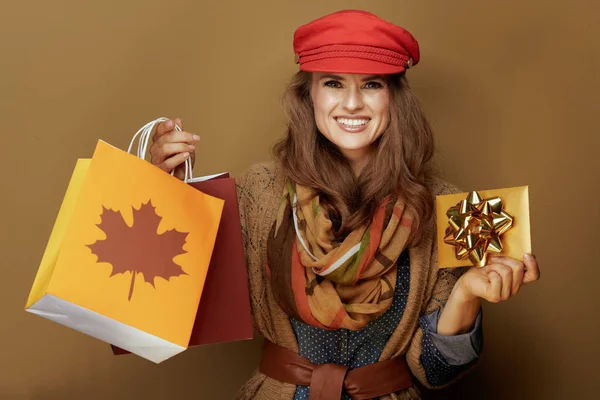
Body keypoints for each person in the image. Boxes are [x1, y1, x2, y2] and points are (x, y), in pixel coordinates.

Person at [149, 9, 540, 400]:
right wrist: (161, 189)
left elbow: (438, 371)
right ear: (310, 94)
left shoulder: (441, 204)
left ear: (394, 97)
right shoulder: (259, 190)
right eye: (334, 83)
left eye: (371, 84)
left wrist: (466, 294)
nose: (352, 104)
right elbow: (180, 296)